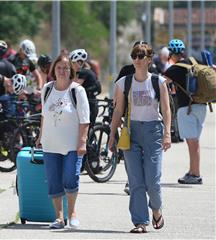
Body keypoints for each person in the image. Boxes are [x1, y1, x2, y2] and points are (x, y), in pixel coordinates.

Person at [108, 43, 171, 233]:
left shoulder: (158, 82)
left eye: (141, 55)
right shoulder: (123, 83)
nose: (137, 59)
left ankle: (157, 209)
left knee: (153, 180)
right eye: (134, 55)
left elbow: (166, 110)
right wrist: (112, 135)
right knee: (135, 180)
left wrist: (167, 133)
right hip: (131, 131)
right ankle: (140, 221)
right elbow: (118, 111)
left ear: (149, 59)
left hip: (153, 131)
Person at [36, 55, 90, 229]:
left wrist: (82, 142)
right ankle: (59, 217)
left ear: (71, 71)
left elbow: (85, 119)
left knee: (70, 178)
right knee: (53, 180)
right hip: (50, 143)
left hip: (72, 145)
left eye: (66, 68)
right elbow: (44, 115)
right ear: (53, 70)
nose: (62, 71)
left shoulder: (77, 91)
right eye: (59, 67)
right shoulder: (47, 89)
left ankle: (72, 213)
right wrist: (40, 136)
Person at [163, 39, 207, 185]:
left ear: (171, 53)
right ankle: (193, 171)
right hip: (202, 106)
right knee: (195, 142)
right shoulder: (195, 62)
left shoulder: (174, 69)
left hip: (187, 108)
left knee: (191, 142)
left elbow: (161, 83)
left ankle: (195, 174)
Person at [69, 49, 101, 125]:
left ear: (80, 63)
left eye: (73, 63)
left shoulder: (84, 72)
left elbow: (74, 87)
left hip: (90, 105)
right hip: (89, 103)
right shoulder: (82, 71)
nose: (71, 65)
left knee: (86, 129)